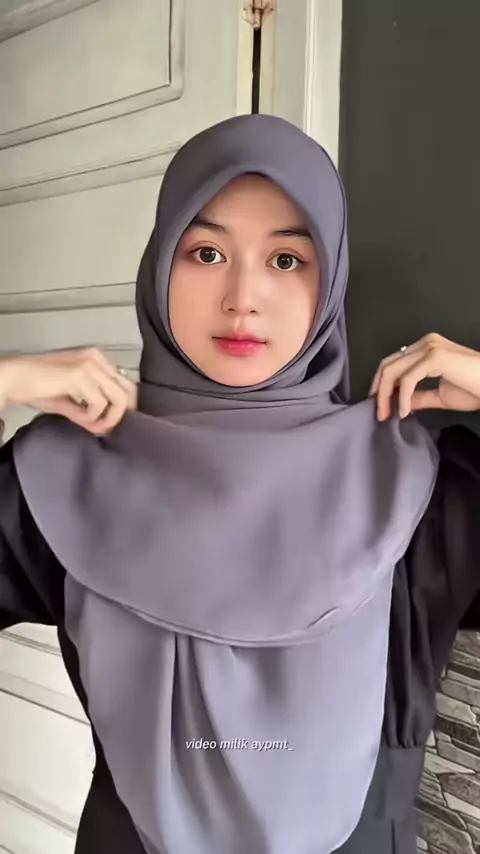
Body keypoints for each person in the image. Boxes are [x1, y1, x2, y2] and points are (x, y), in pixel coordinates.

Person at [0, 114, 480, 854]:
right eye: (206, 252)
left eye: (287, 259)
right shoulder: (62, 479)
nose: (242, 297)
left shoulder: (417, 490)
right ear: (159, 264)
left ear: (331, 279)